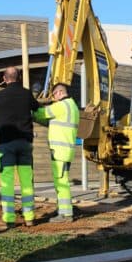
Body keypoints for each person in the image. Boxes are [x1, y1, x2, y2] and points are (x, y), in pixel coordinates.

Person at [0, 67, 40, 228]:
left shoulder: (0, 95)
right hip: (25, 144)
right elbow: (37, 108)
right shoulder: (26, 94)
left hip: (6, 145)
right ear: (18, 77)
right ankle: (29, 217)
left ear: (5, 78)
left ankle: (10, 218)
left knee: (7, 183)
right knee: (27, 182)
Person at [33, 83, 79, 223]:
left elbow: (41, 113)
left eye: (53, 95)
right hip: (67, 150)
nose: (53, 99)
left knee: (61, 182)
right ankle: (64, 211)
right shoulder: (73, 106)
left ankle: (65, 214)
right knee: (62, 181)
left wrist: (29, 104)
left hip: (59, 151)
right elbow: (48, 120)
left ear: (59, 93)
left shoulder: (61, 106)